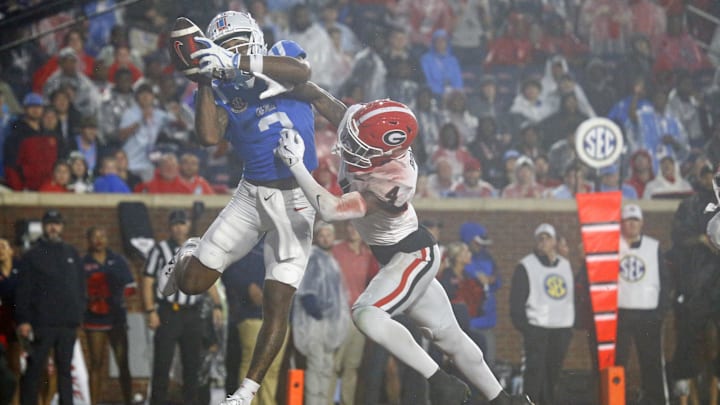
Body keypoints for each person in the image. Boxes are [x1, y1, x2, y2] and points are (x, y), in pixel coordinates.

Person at [274, 91, 532, 405]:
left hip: (412, 254)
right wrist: (291, 81)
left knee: (367, 314)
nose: (350, 148)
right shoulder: (364, 128)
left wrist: (296, 165)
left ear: (388, 151)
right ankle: (505, 400)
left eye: (361, 146)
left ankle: (441, 382)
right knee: (449, 336)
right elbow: (325, 102)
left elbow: (330, 209)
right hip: (403, 256)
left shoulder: (395, 180)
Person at [157, 12, 318, 405]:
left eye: (240, 43)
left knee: (278, 302)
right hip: (251, 195)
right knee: (192, 285)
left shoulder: (278, 56)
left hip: (298, 200)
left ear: (256, 41)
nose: (234, 51)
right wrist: (203, 79)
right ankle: (187, 254)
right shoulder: (221, 85)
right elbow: (209, 136)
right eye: (226, 47)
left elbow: (301, 71)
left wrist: (234, 61)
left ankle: (246, 392)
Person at [142, 210, 223, 405]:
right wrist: (150, 310)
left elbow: (207, 279)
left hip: (192, 314)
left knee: (192, 367)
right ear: (170, 227)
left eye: (182, 223)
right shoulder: (160, 249)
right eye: (175, 224)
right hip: (169, 312)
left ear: (188, 225)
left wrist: (217, 304)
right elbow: (147, 281)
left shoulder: (197, 248)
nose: (179, 228)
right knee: (162, 365)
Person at [14, 209, 86, 405]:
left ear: (62, 227)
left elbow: (80, 286)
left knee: (65, 370)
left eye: (56, 223)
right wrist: (24, 320)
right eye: (49, 223)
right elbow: (23, 290)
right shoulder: (32, 255)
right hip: (42, 322)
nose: (53, 227)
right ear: (44, 226)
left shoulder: (71, 253)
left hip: (67, 324)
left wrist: (79, 315)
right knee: (35, 368)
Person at [510, 223, 574, 405]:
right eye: (540, 238)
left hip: (561, 328)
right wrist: (525, 327)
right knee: (534, 374)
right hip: (537, 328)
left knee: (553, 373)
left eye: (548, 238)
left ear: (555, 242)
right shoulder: (526, 265)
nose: (544, 242)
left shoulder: (565, 265)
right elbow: (517, 300)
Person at [615, 204, 671, 405]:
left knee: (652, 362)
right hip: (620, 314)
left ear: (641, 223)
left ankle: (655, 401)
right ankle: (615, 400)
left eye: (635, 220)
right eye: (628, 220)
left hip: (648, 315)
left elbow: (664, 281)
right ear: (622, 223)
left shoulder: (653, 246)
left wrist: (661, 311)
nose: (631, 224)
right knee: (617, 363)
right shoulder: (613, 245)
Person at [293, 221, 350, 405]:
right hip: (314, 324)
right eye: (322, 235)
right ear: (316, 238)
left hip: (329, 324)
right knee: (316, 367)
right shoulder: (313, 258)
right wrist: (316, 311)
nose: (325, 238)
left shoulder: (331, 261)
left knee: (326, 368)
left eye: (329, 235)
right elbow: (306, 291)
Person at [82, 226, 135, 405]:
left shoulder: (118, 260)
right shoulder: (83, 262)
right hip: (94, 318)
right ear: (89, 239)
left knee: (123, 363)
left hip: (116, 317)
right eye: (95, 236)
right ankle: (94, 402)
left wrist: (115, 292)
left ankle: (128, 400)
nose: (98, 240)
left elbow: (131, 286)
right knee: (96, 363)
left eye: (102, 235)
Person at [331, 221, 378, 405]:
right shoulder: (336, 251)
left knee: (352, 365)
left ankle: (346, 402)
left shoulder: (368, 253)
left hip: (358, 316)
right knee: (334, 364)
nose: (353, 230)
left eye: (357, 226)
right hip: (338, 314)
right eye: (350, 226)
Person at [459, 222, 500, 368]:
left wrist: (489, 280)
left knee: (489, 363)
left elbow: (497, 282)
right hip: (468, 323)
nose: (480, 247)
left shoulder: (488, 259)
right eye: (476, 243)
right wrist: (476, 278)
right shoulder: (461, 260)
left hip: (487, 321)